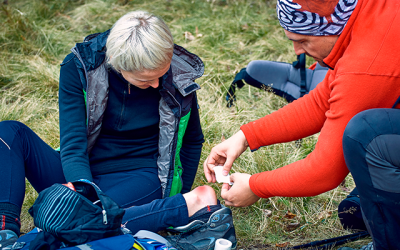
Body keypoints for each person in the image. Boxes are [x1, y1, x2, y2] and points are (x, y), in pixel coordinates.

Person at [0, 11, 236, 250]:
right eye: (145, 80)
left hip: (141, 175)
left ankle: (183, 206)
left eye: (161, 74)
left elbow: (193, 139)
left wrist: (178, 192)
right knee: (9, 133)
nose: (156, 84)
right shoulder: (80, 67)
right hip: (81, 168)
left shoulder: (178, 76)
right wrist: (82, 191)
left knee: (86, 223)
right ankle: (5, 235)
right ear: (117, 63)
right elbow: (73, 145)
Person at [204, 0, 400, 249]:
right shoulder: (365, 14)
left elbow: (325, 171)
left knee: (367, 136)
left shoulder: (368, 62)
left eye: (304, 40)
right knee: (364, 209)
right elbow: (321, 102)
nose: (298, 51)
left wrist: (255, 186)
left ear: (331, 26)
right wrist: (244, 136)